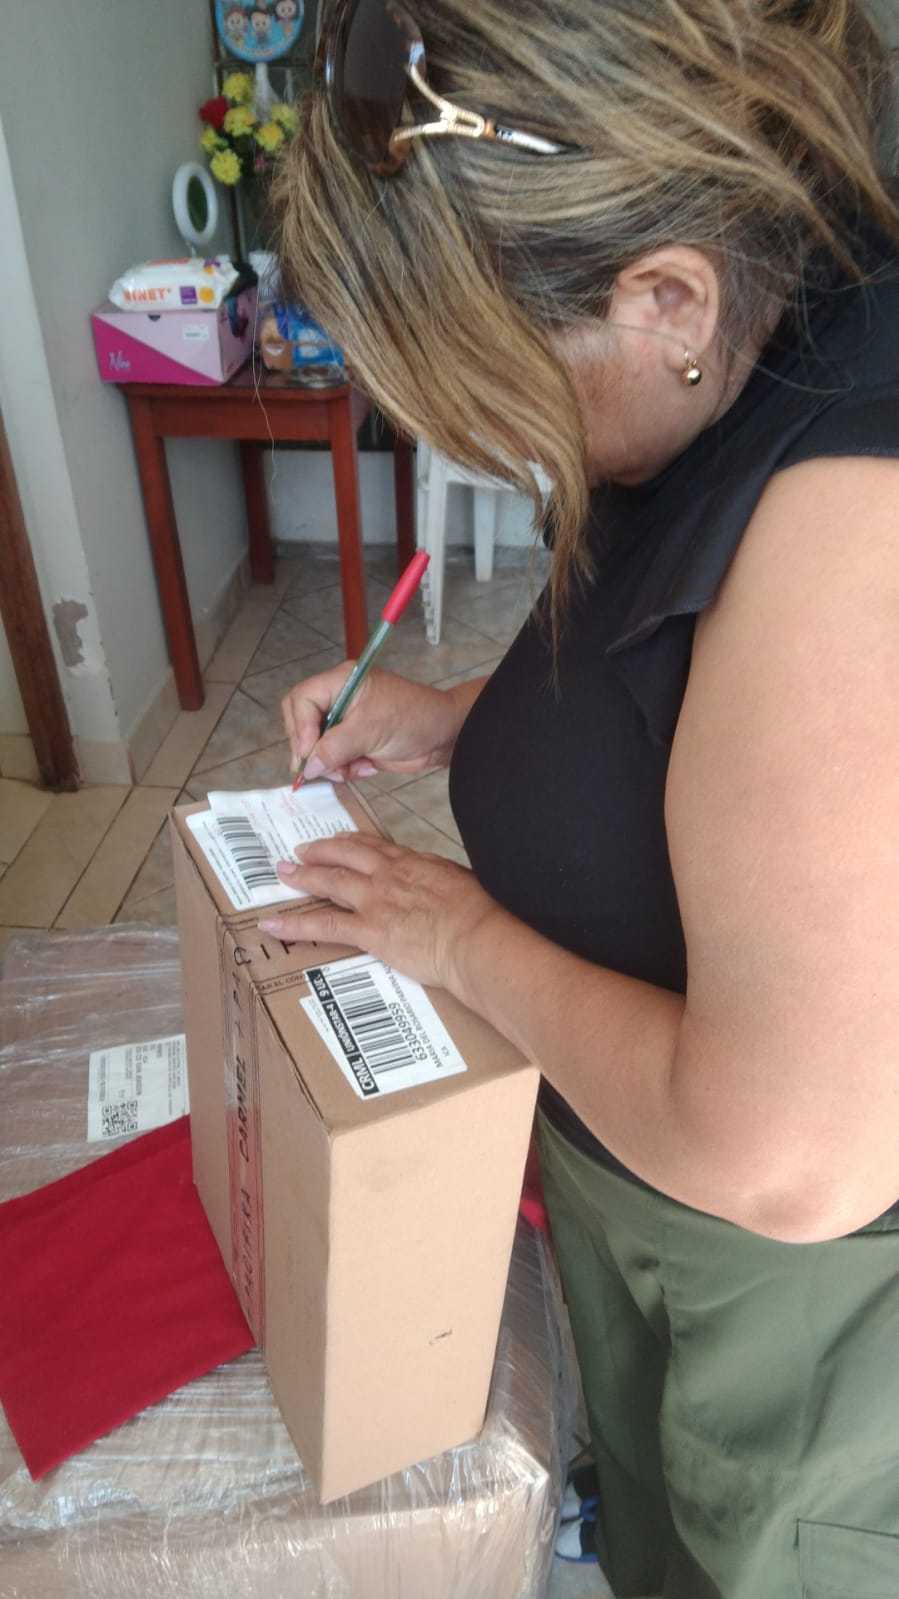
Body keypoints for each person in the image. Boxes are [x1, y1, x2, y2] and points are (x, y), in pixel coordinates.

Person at [267, 4, 899, 1594]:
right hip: (633, 1201)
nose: (484, 446)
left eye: (491, 393)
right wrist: (459, 722)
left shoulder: (860, 522)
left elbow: (785, 1158)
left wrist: (459, 939)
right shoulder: (748, 319)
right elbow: (681, 678)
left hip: (791, 1323)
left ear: (665, 298)